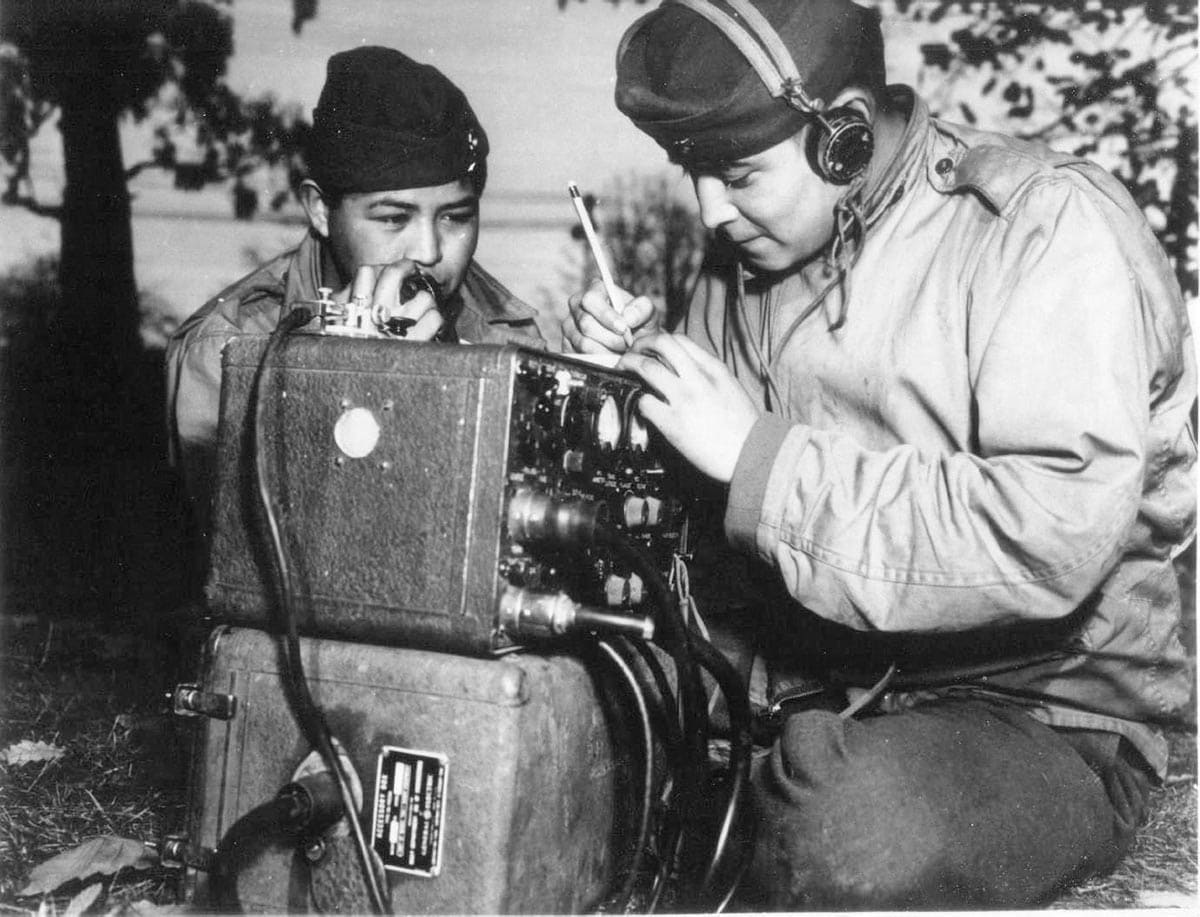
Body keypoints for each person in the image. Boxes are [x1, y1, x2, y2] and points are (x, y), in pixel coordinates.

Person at [564, 0, 1196, 909]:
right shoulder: (746, 257)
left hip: (1041, 712)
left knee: (844, 832)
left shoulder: (1043, 228)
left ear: (844, 139)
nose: (711, 211)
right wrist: (630, 389)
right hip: (818, 688)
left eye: (737, 174)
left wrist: (760, 459)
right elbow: (706, 511)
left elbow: (1050, 531)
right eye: (693, 173)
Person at [166, 46, 543, 540]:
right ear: (321, 211)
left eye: (456, 217)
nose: (428, 251)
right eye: (393, 219)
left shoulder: (503, 331)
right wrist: (331, 386)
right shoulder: (227, 348)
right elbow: (233, 564)